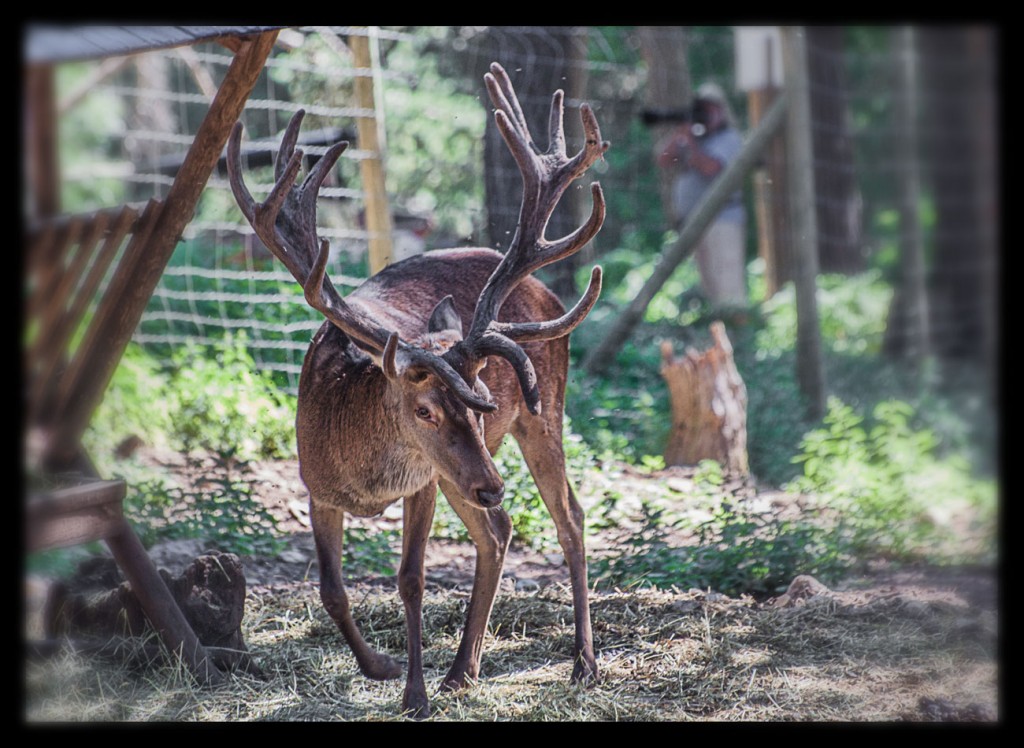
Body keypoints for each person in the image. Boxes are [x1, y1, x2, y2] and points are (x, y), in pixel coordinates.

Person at [656, 82, 747, 308]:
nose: (707, 115)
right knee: (710, 287)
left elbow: (710, 168)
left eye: (712, 109)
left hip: (723, 219)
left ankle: (738, 326)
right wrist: (681, 133)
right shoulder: (694, 137)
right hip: (697, 222)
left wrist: (690, 143)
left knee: (728, 284)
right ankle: (718, 327)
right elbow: (663, 159)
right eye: (702, 109)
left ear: (722, 111)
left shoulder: (729, 138)